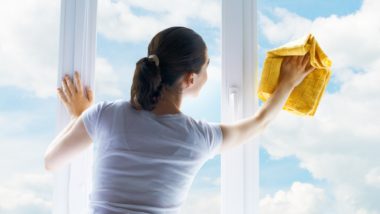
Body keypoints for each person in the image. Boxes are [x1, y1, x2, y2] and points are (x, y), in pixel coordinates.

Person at [44, 26, 315, 214]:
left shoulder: (104, 115)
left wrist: (81, 116)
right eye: (207, 66)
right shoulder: (197, 138)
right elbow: (260, 122)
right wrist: (287, 83)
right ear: (190, 78)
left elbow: (51, 162)